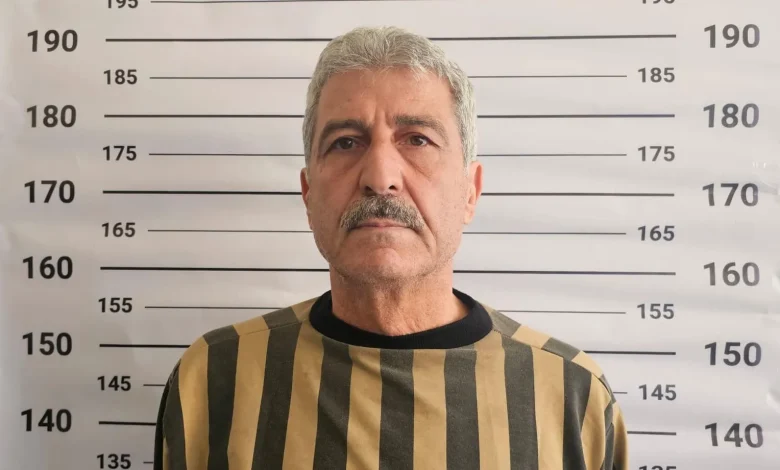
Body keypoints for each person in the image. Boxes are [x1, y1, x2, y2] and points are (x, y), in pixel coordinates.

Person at [152, 25, 628, 470]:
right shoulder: (213, 379)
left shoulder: (572, 396)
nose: (380, 177)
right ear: (308, 194)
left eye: (417, 140)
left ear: (470, 191)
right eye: (345, 143)